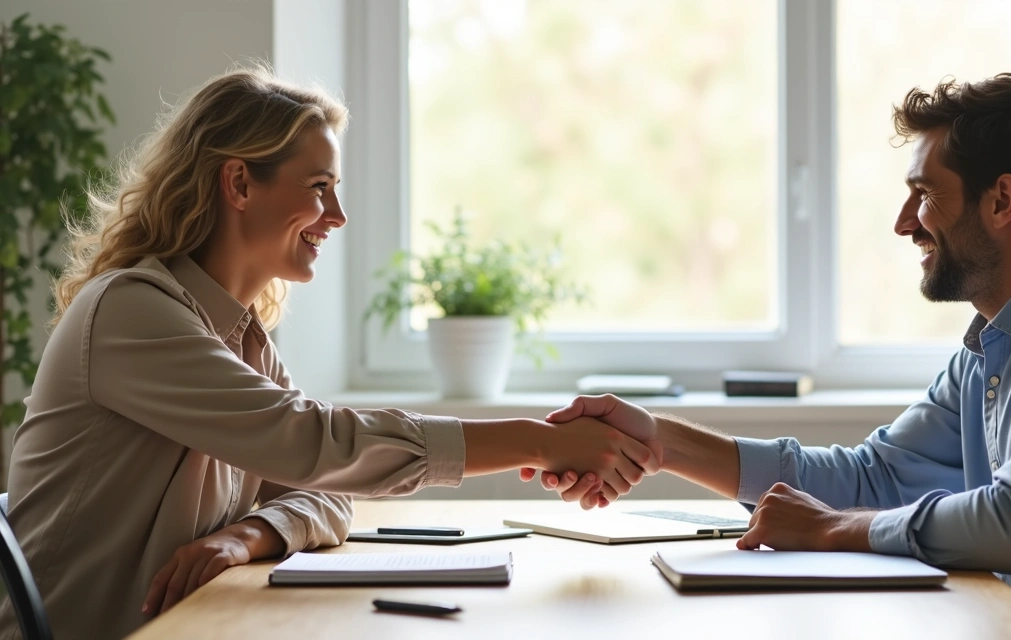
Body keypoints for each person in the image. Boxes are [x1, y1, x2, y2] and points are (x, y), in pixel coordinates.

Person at [526, 73, 1011, 640]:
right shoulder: (991, 349)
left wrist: (833, 531)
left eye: (925, 194)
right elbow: (871, 477)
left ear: (1002, 200)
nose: (904, 222)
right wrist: (663, 445)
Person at [0, 65, 656, 640]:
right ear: (239, 183)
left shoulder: (238, 334)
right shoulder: (132, 311)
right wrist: (537, 442)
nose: (337, 214)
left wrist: (249, 534)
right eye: (319, 186)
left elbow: (325, 489)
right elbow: (315, 443)